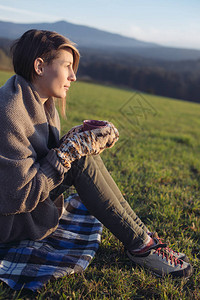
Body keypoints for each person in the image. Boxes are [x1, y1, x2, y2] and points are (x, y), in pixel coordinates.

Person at [0, 29, 193, 279]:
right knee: (79, 159)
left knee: (83, 156)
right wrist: (67, 154)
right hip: (9, 220)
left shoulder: (40, 101)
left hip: (21, 203)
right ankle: (142, 246)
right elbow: (17, 196)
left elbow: (41, 158)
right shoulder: (9, 112)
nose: (73, 76)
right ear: (39, 66)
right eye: (67, 66)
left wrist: (76, 141)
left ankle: (143, 240)